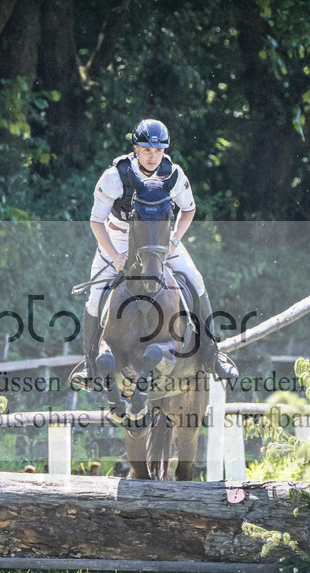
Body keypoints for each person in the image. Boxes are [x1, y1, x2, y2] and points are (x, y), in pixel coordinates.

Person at [71, 118, 238, 391]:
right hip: (117, 239)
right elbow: (96, 221)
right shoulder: (114, 177)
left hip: (159, 239)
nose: (153, 156)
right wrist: (114, 256)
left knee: (196, 281)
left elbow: (189, 209)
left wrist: (175, 240)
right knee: (95, 297)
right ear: (135, 149)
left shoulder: (174, 175)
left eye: (158, 150)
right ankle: (90, 366)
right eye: (147, 150)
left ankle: (212, 354)